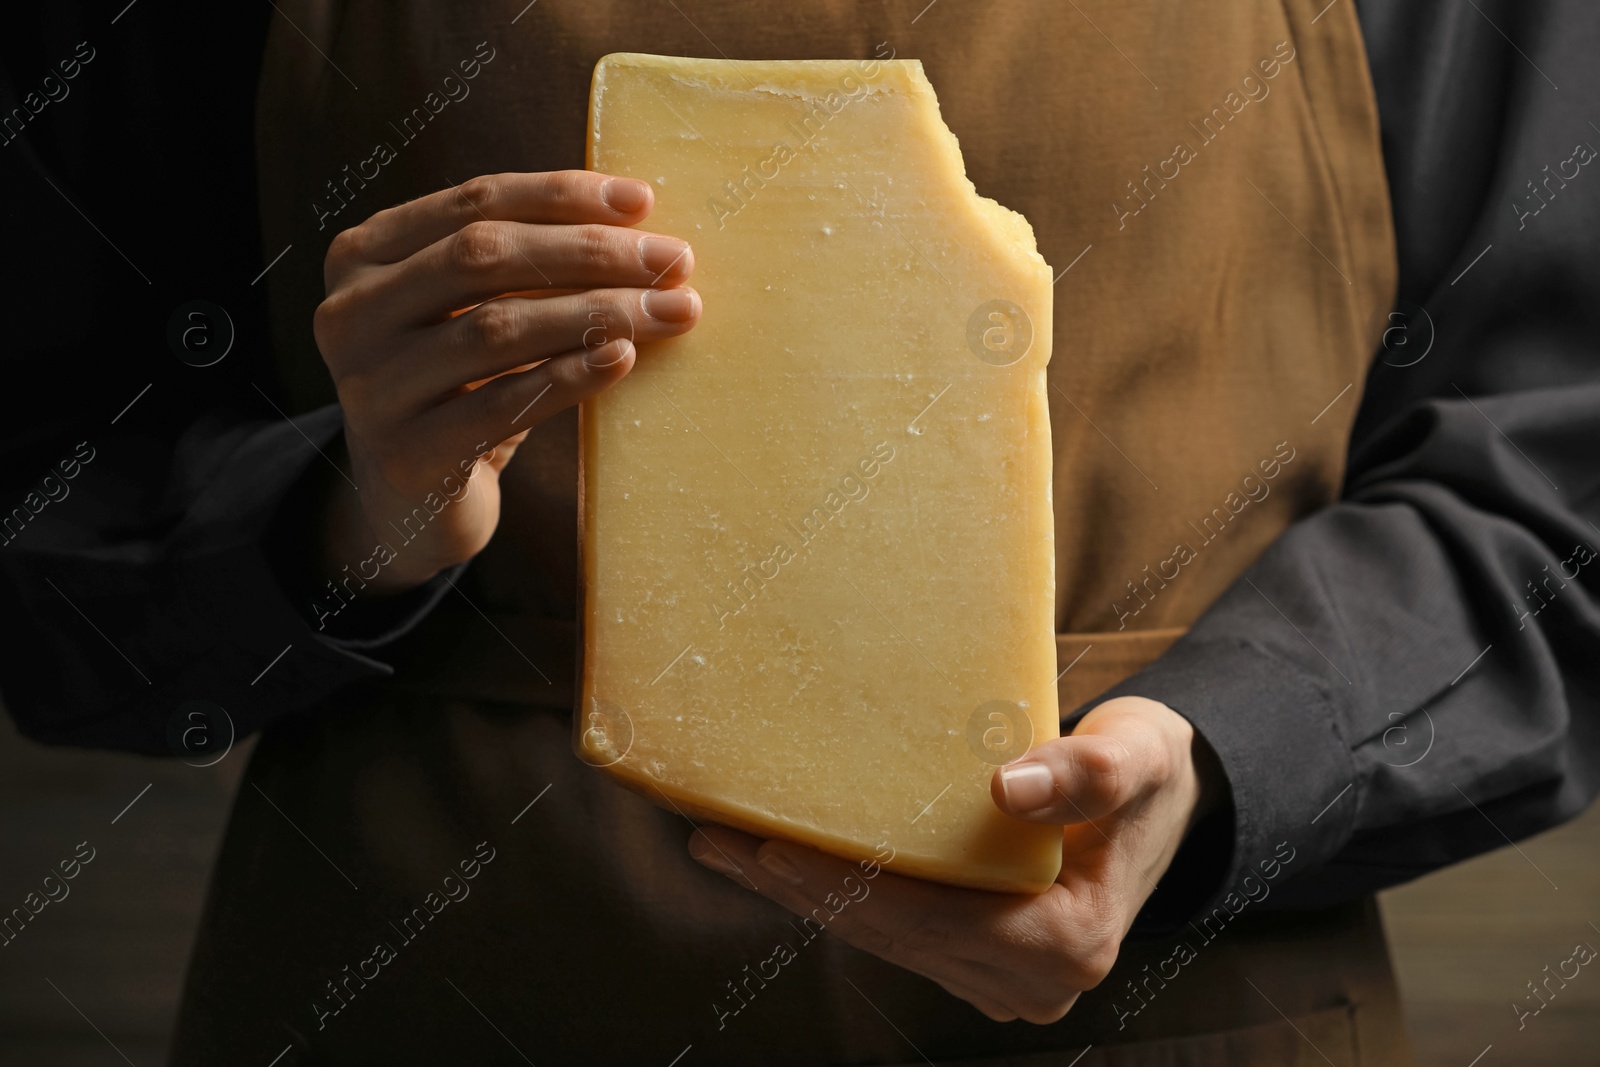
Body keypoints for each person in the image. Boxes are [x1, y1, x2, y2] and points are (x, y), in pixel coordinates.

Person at [2, 2, 1595, 1064]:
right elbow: (50, 521)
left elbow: (1564, 479)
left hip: (1186, 1006)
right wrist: (350, 515)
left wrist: (1238, 749)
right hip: (429, 974)